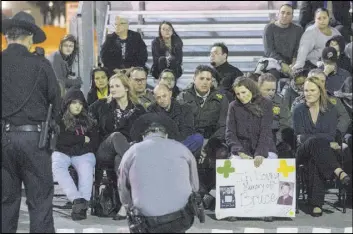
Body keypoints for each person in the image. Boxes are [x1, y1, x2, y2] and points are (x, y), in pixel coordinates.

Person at [2, 11, 61, 233]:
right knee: (40, 203)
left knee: (5, 204)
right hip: (35, 140)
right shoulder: (41, 64)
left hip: (3, 140)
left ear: (8, 36)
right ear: (28, 38)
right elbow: (56, 101)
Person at [118, 113, 200, 233]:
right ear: (166, 135)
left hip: (145, 223)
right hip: (180, 220)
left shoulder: (132, 151)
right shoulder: (182, 149)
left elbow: (122, 186)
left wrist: (129, 206)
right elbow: (195, 187)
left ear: (143, 135)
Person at [89, 73, 146, 220]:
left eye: (117, 86)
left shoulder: (139, 110)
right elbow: (87, 120)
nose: (113, 89)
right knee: (116, 136)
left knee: (119, 160)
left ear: (126, 88)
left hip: (124, 151)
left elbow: (143, 133)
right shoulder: (101, 106)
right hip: (104, 150)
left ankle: (125, 205)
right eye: (111, 86)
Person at [293, 76, 350, 216]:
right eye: (306, 90)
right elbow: (300, 137)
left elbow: (331, 135)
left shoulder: (330, 109)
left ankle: (316, 205)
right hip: (302, 152)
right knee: (314, 143)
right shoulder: (298, 109)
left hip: (322, 153)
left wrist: (317, 139)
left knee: (316, 157)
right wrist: (320, 139)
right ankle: (337, 170)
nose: (308, 93)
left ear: (320, 91)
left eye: (312, 90)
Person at [226, 77, 277, 222]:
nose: (241, 96)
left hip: (264, 146)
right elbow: (230, 133)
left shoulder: (266, 104)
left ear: (251, 89)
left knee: (268, 164)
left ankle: (266, 208)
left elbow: (265, 132)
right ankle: (233, 208)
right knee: (234, 165)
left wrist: (260, 153)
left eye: (244, 92)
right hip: (241, 148)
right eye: (238, 94)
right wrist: (240, 151)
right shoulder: (233, 106)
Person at [52, 88, 99, 220]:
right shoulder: (59, 119)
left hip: (83, 154)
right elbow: (59, 141)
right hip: (62, 153)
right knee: (57, 166)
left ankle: (82, 206)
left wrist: (71, 140)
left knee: (86, 169)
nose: (77, 106)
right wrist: (81, 139)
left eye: (80, 103)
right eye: (74, 103)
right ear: (67, 104)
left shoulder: (89, 120)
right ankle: (77, 200)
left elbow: (94, 141)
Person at [292, 68, 350, 137]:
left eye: (322, 81)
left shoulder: (333, 100)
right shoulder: (298, 102)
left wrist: (337, 132)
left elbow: (345, 118)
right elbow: (293, 123)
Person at [148, 84, 204, 155]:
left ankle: (171, 155)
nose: (162, 100)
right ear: (155, 98)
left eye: (164, 96)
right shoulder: (151, 110)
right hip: (162, 145)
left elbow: (187, 132)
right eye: (158, 97)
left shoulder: (185, 108)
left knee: (198, 138)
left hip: (180, 142)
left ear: (170, 94)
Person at [263, 4, 304, 80]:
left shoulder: (298, 30)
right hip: (274, 63)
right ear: (278, 14)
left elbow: (298, 49)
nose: (285, 15)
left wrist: (294, 63)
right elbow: (269, 51)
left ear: (292, 17)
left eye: (288, 13)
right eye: (282, 12)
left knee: (301, 76)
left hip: (292, 64)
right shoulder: (269, 28)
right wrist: (281, 63)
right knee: (272, 76)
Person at [257, 73, 292, 154]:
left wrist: (278, 139)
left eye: (273, 90)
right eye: (267, 90)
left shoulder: (280, 101)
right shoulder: (251, 101)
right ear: (259, 88)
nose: (271, 93)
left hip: (275, 136)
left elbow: (285, 122)